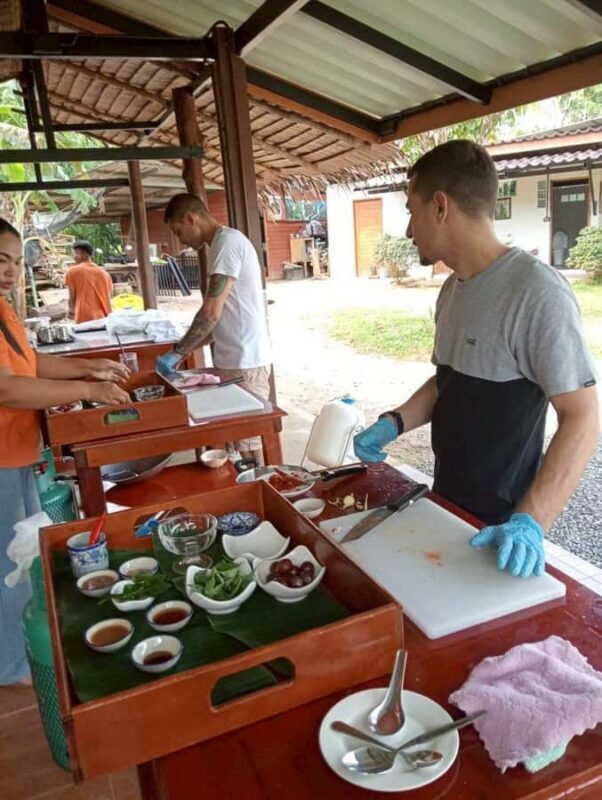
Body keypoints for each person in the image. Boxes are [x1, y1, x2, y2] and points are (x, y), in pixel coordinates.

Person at [354, 140, 599, 579]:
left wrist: (531, 521)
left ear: (440, 207)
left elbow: (583, 415)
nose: (408, 230)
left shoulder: (536, 293)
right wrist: (394, 422)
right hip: (447, 504)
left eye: (411, 211)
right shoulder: (452, 290)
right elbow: (447, 381)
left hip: (504, 530)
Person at [0, 219, 131, 684]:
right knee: (8, 562)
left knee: (24, 551)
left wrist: (87, 368)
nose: (11, 271)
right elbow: (8, 388)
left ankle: (26, 646)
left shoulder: (4, 309)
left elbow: (31, 364)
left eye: (17, 262)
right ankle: (14, 665)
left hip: (19, 449)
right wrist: (87, 390)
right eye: (1, 261)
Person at [156, 194, 272, 464]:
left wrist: (177, 351)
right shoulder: (221, 244)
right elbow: (216, 322)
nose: (181, 241)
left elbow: (210, 314)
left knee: (248, 444)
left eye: (179, 232)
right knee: (237, 440)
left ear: (190, 218)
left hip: (245, 360)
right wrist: (183, 353)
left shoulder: (227, 243)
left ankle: (259, 487)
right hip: (234, 359)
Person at [65, 240, 113, 323]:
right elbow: (109, 296)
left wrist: (71, 313)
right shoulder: (105, 273)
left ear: (82, 254)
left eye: (75, 254)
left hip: (84, 318)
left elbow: (72, 297)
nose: (74, 257)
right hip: (104, 318)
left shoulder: (72, 271)